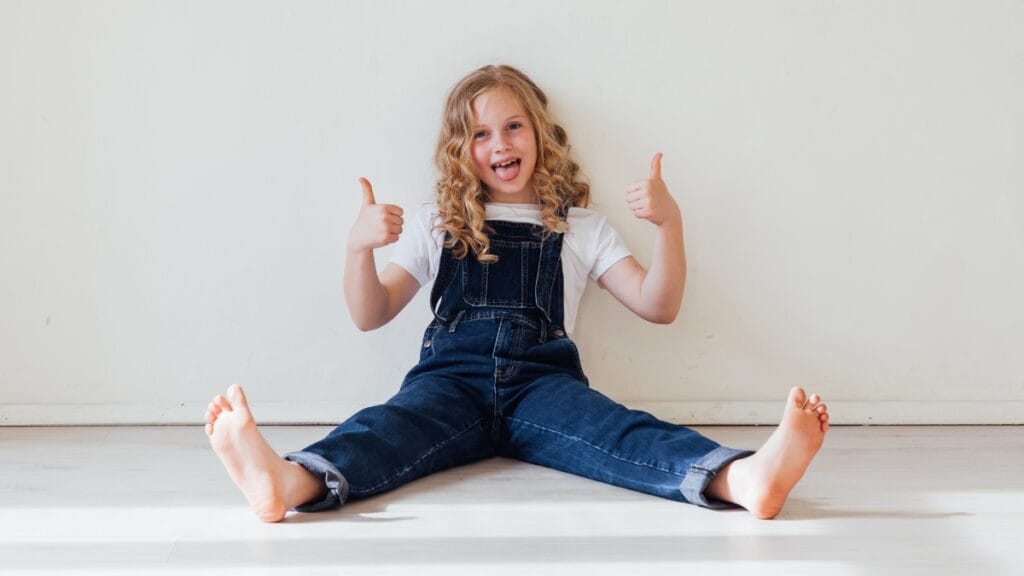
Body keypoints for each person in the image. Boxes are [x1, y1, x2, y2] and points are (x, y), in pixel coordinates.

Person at [204, 64, 830, 523]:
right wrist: (357, 248)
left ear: (539, 133)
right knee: (381, 433)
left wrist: (670, 226)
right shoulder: (436, 221)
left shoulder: (581, 226)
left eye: (512, 127)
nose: (499, 144)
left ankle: (743, 478)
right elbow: (370, 314)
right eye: (480, 135)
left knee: (623, 436)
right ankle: (287, 482)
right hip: (446, 384)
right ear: (460, 151)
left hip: (544, 387)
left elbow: (657, 306)